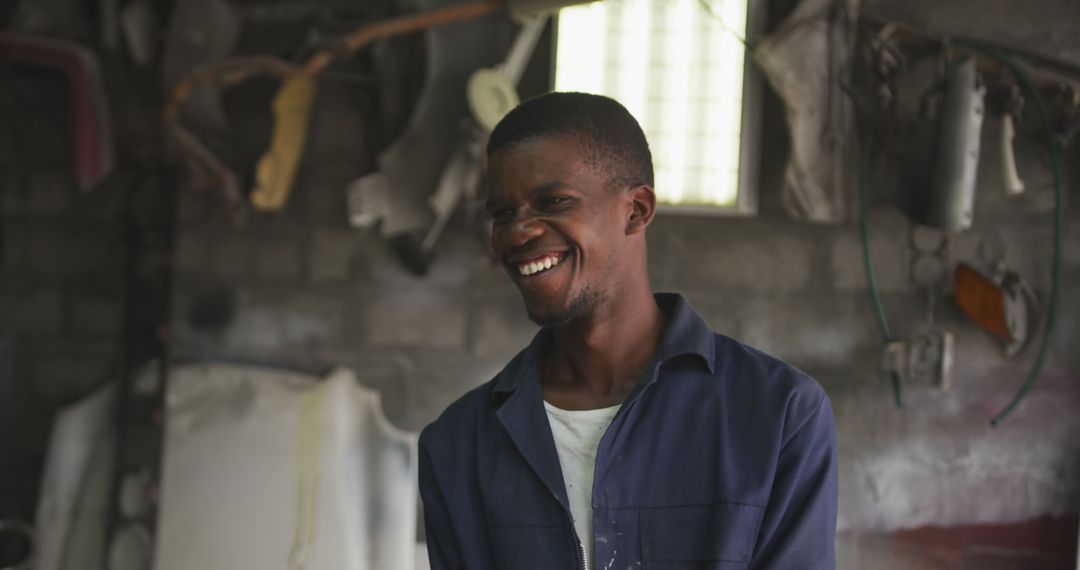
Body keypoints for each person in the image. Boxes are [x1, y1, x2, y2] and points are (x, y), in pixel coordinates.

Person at [418, 92, 837, 570]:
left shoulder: (778, 415)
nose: (517, 233)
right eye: (502, 213)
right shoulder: (458, 444)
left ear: (636, 210)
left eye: (553, 201)